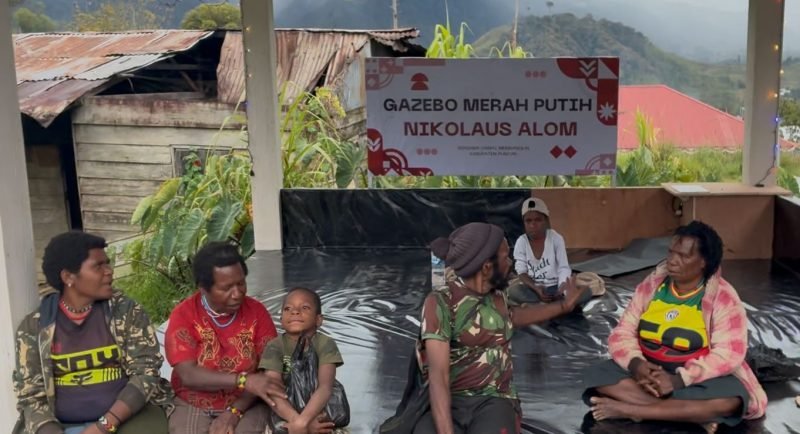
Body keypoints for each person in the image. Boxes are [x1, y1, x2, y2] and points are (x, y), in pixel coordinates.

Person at [582, 221, 768, 432]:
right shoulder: (652, 286)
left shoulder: (723, 297)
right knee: (597, 375)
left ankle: (634, 410)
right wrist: (637, 365)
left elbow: (729, 354)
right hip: (648, 373)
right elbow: (623, 332)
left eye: (683, 256)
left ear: (704, 262)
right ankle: (690, 415)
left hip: (695, 379)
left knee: (732, 400)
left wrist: (679, 379)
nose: (672, 260)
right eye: (671, 252)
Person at [410, 222, 588, 434]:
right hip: (451, 396)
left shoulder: (498, 296)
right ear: (487, 267)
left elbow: (513, 316)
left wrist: (563, 306)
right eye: (506, 257)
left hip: (494, 398)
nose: (510, 263)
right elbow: (439, 377)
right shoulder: (440, 302)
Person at [13, 231, 172, 434]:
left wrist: (104, 426)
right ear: (68, 277)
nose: (109, 271)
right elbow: (30, 395)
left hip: (129, 417)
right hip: (60, 424)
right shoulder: (35, 327)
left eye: (108, 264)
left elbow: (146, 373)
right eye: (98, 266)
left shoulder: (125, 311)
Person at [165, 241, 285, 434]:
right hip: (194, 401)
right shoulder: (184, 315)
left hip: (247, 400)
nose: (237, 294)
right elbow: (188, 375)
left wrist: (234, 411)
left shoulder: (257, 312)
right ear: (203, 288)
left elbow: (267, 374)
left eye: (241, 283)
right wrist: (243, 379)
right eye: (226, 288)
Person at [259, 287, 347, 434]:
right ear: (281, 320)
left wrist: (304, 421)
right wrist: (296, 422)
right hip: (285, 412)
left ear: (318, 320)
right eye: (288, 308)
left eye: (304, 308)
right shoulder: (275, 346)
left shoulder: (325, 343)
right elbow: (273, 389)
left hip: (319, 411)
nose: (295, 312)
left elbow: (325, 387)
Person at [507, 197, 591, 307]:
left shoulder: (556, 238)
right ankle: (558, 306)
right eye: (528, 221)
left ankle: (546, 305)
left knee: (586, 291)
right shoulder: (521, 242)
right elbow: (521, 272)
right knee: (513, 291)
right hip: (535, 289)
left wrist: (561, 289)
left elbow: (563, 267)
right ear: (524, 223)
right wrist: (536, 288)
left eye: (538, 220)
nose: (533, 225)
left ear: (546, 220)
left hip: (556, 286)